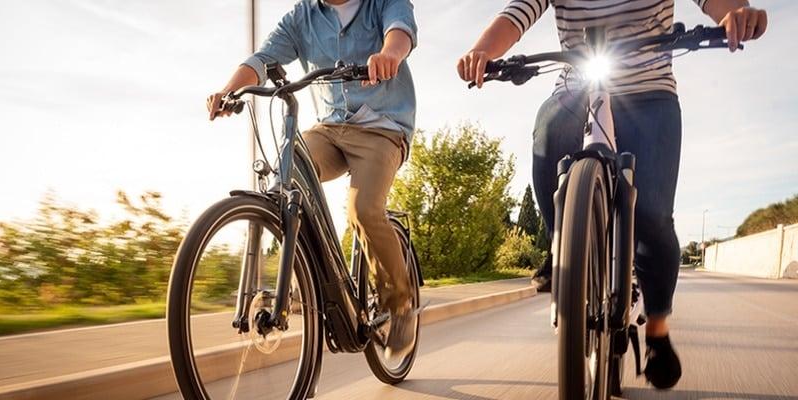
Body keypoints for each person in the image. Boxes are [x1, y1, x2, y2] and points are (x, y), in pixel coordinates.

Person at [458, 0, 767, 390]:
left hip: (649, 92)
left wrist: (735, 13)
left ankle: (656, 327)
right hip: (577, 85)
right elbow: (515, 16)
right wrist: (484, 50)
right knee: (547, 137)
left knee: (653, 215)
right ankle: (565, 250)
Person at [207, 0, 418, 360]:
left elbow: (400, 33)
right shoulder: (301, 16)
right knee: (285, 178)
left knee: (363, 209)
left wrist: (388, 55)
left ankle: (400, 306)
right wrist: (230, 90)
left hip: (383, 128)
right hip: (330, 128)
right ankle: (304, 277)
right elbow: (262, 59)